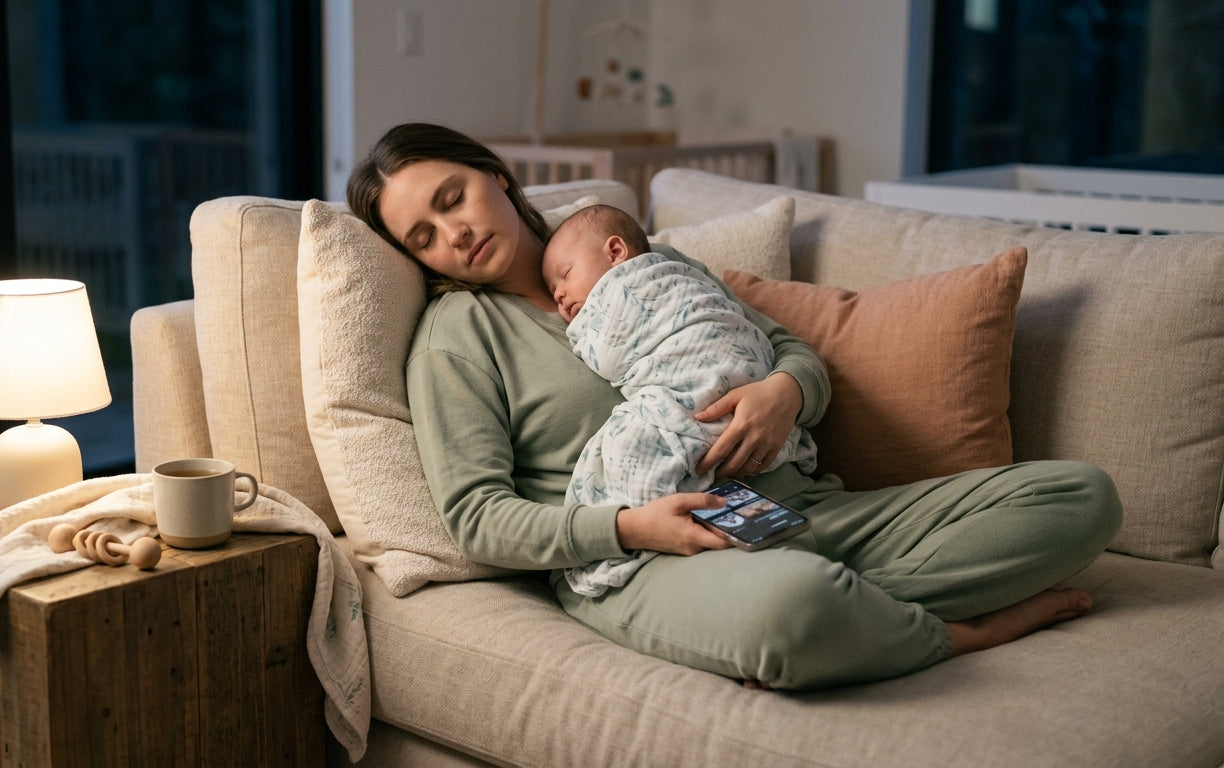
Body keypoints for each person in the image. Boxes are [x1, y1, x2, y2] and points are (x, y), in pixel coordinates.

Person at [347, 122, 1122, 690]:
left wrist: (786, 393)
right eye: (424, 236)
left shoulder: (636, 258)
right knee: (791, 611)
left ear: (497, 176)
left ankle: (856, 616)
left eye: (453, 198)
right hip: (649, 558)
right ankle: (953, 633)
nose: (454, 233)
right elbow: (477, 517)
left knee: (1080, 497)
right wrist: (628, 526)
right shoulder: (458, 338)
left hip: (800, 508)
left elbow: (786, 351)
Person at [542, 204, 817, 597]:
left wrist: (787, 389)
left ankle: (626, 540)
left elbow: (612, 357)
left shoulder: (645, 280)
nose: (559, 294)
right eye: (554, 290)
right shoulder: (672, 275)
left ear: (616, 252)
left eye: (565, 275)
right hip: (746, 408)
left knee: (627, 443)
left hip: (723, 386)